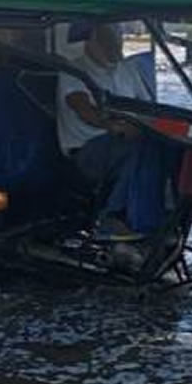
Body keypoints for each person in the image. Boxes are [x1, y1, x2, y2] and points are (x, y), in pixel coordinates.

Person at [57, 23, 151, 240]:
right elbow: (83, 108)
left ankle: (160, 216)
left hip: (124, 139)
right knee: (138, 151)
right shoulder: (74, 70)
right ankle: (111, 217)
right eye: (108, 41)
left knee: (167, 148)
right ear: (91, 42)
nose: (115, 47)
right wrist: (115, 126)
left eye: (117, 40)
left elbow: (148, 105)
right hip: (86, 148)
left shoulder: (128, 69)